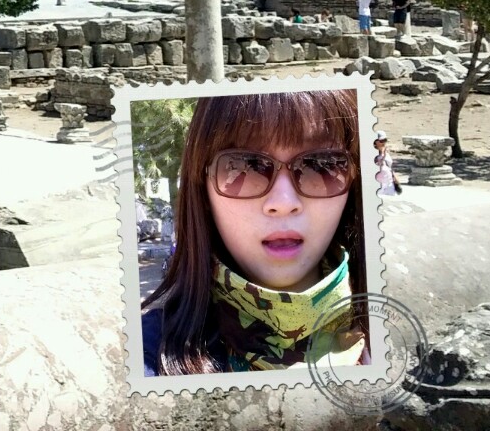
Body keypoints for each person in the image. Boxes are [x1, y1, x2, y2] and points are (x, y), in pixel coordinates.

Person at [138, 89, 368, 376]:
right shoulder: (148, 354)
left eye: (321, 165)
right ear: (203, 188)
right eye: (245, 166)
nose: (283, 203)